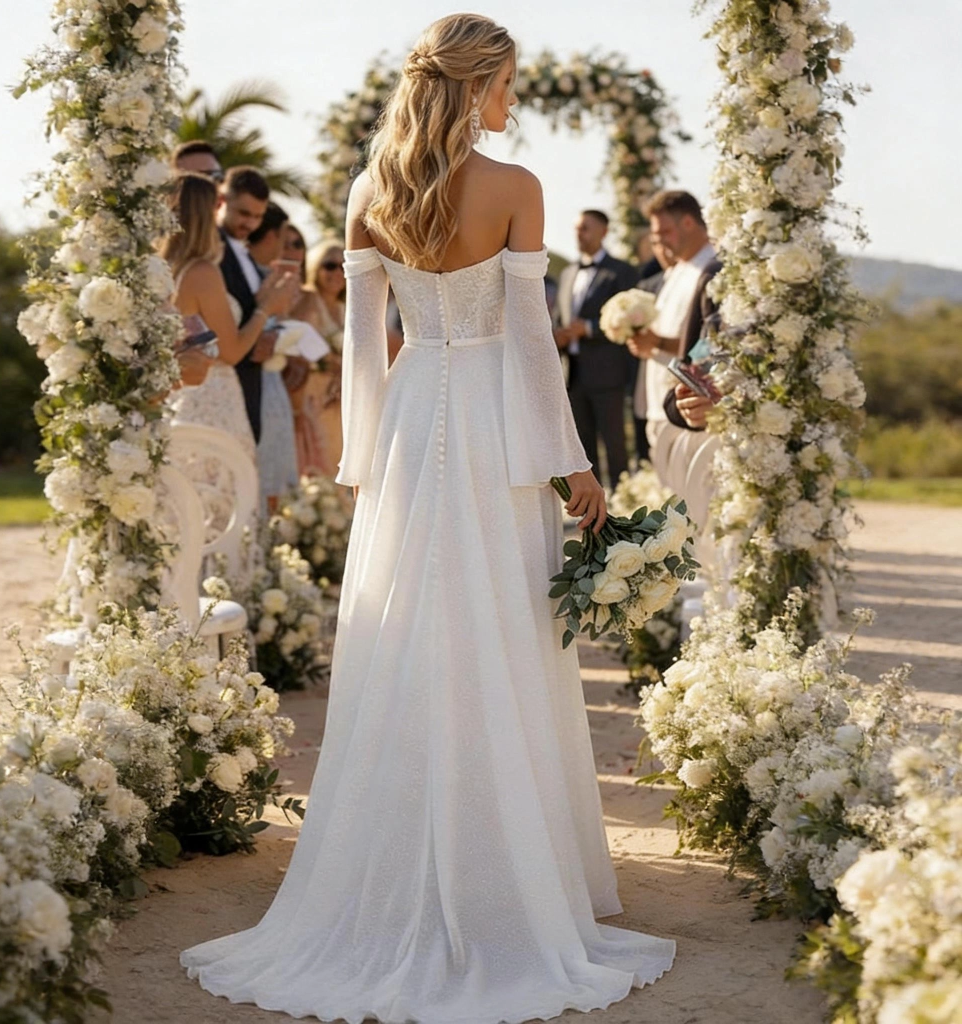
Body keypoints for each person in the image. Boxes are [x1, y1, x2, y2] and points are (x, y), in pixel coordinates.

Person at [180, 14, 675, 1020]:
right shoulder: (515, 187)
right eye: (507, 84)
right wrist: (572, 462)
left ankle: (408, 855)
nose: (513, 102)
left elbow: (366, 344)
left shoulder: (370, 191)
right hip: (492, 421)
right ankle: (507, 869)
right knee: (497, 623)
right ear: (479, 81)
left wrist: (363, 455)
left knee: (410, 630)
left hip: (411, 422)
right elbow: (533, 343)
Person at [160, 173, 295, 462]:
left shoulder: (162, 268)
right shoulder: (202, 272)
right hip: (214, 400)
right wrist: (266, 308)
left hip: (181, 399)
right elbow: (231, 352)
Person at [626, 189, 721, 527]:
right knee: (672, 505)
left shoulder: (710, 268)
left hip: (689, 407)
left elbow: (707, 342)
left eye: (665, 231)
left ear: (689, 222)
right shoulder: (678, 271)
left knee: (696, 508)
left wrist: (660, 342)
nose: (661, 241)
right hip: (660, 402)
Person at [554, 209, 640, 486]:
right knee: (582, 452)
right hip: (574, 378)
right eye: (577, 229)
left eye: (586, 228)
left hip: (607, 376)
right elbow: (560, 318)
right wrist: (559, 335)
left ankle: (624, 507)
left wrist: (589, 328)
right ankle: (595, 515)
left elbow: (630, 321)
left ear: (604, 231)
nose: (580, 234)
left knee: (615, 448)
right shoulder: (567, 273)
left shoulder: (622, 271)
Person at [217, 166, 298, 443]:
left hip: (250, 393)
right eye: (243, 213)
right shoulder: (212, 252)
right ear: (222, 201)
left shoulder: (247, 258)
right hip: (219, 394)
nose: (250, 224)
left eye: (258, 217)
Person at [247, 202, 307, 510]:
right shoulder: (251, 277)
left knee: (278, 480)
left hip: (273, 387)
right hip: (253, 389)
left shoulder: (263, 275)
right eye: (284, 240)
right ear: (271, 236)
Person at [291, 239, 346, 478]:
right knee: (318, 458)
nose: (337, 272)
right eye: (330, 265)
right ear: (315, 267)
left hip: (341, 396)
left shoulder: (346, 307)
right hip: (315, 393)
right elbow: (299, 341)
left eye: (343, 266)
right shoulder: (309, 300)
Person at [631, 235, 677, 463]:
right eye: (656, 243)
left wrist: (660, 343)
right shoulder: (650, 284)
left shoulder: (704, 275)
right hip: (654, 376)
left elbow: (704, 341)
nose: (664, 249)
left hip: (688, 384)